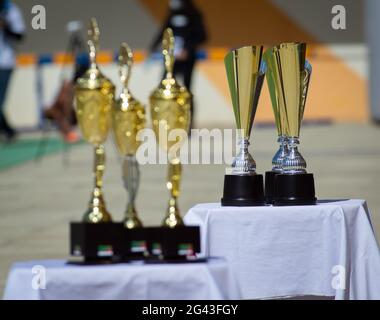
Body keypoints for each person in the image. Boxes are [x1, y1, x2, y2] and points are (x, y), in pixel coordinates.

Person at [150, 0, 207, 129]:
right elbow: (164, 31)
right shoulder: (172, 13)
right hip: (172, 60)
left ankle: (188, 124)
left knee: (187, 91)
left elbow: (202, 35)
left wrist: (187, 48)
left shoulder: (194, 13)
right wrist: (152, 47)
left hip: (187, 60)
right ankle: (166, 121)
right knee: (165, 87)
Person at [0, 0, 25, 142]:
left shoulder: (10, 10)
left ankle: (8, 131)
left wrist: (5, 26)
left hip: (4, 62)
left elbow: (20, 35)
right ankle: (8, 130)